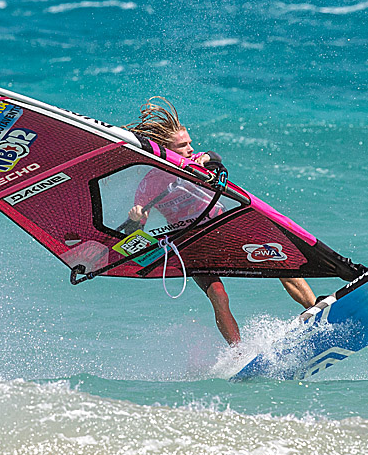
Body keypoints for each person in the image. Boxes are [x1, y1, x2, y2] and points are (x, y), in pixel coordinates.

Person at [126, 97, 319, 346]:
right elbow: (135, 232)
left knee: (276, 259)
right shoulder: (149, 184)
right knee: (218, 295)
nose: (189, 149)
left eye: (190, 144)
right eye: (182, 146)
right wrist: (135, 220)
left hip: (223, 228)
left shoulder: (199, 163)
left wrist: (206, 160)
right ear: (165, 150)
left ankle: (315, 310)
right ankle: (238, 353)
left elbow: (215, 159)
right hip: (193, 242)